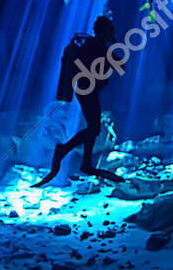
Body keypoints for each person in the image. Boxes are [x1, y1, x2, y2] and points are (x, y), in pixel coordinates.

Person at [35, 15, 124, 185]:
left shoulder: (95, 46)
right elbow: (120, 65)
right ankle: (65, 151)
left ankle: (85, 162)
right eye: (110, 29)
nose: (113, 32)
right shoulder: (95, 46)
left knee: (93, 128)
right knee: (94, 128)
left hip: (86, 90)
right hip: (87, 91)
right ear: (104, 31)